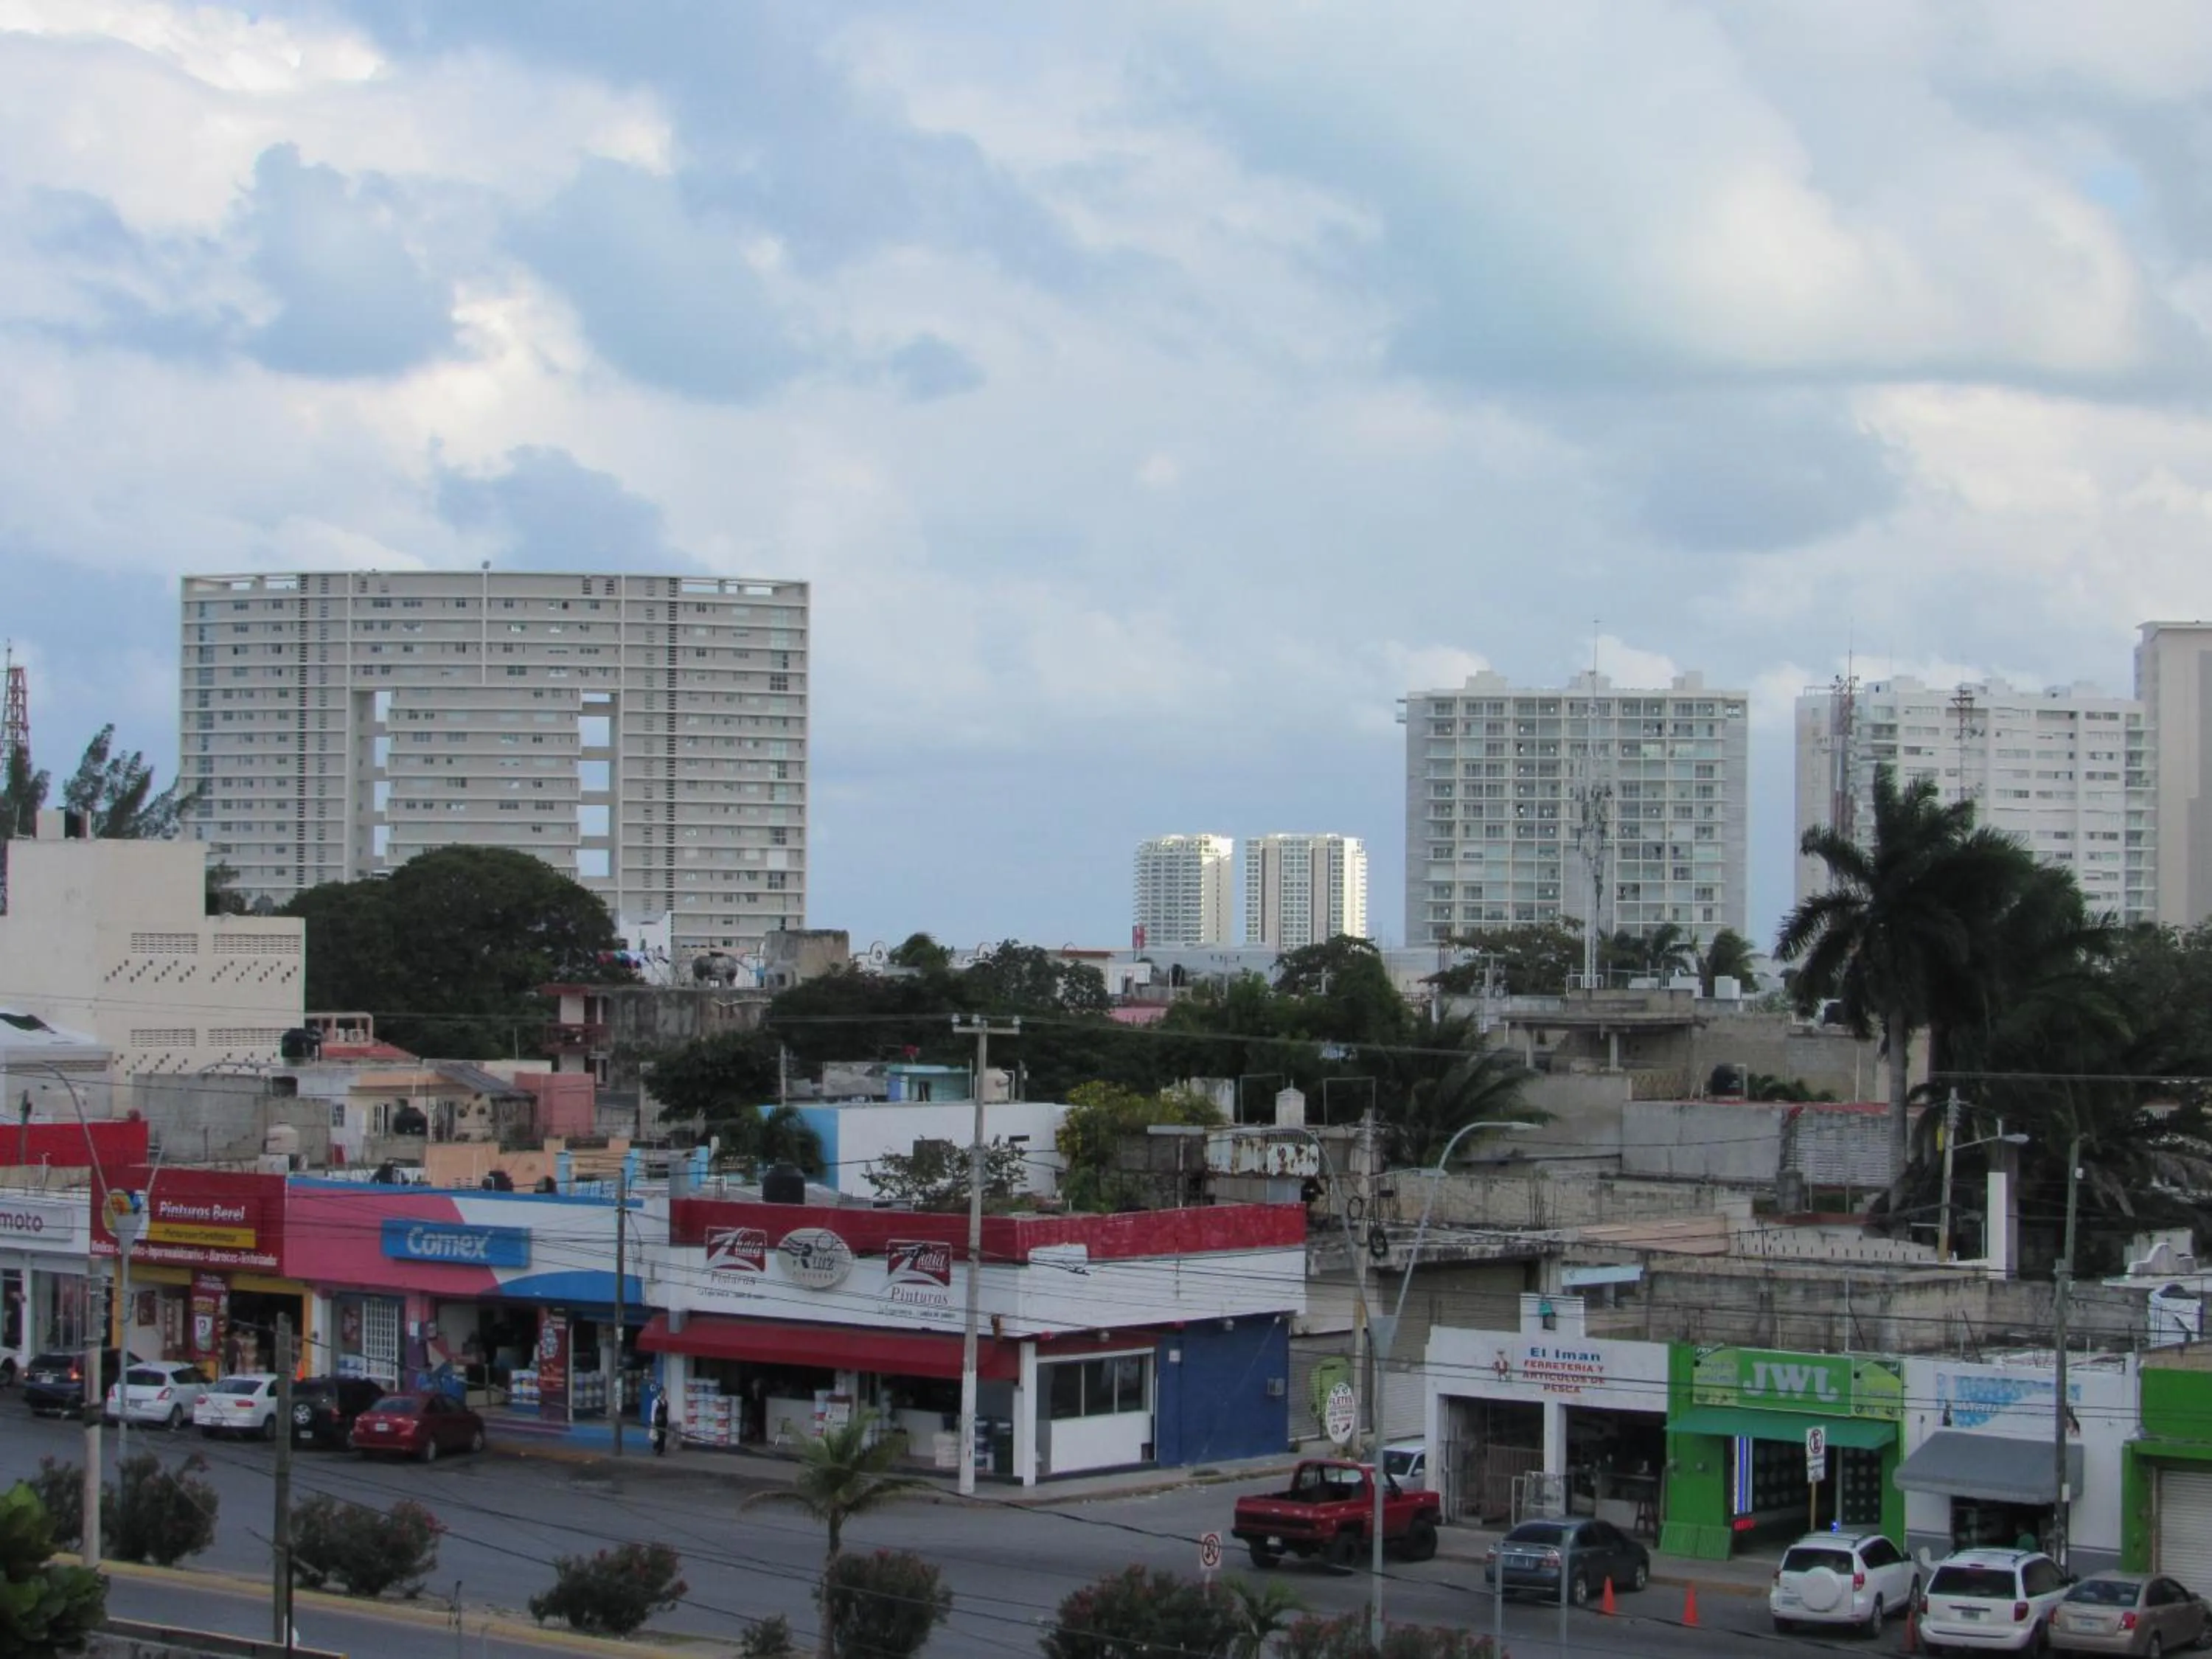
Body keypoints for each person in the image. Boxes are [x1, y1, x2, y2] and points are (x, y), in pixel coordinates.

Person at [650, 1388, 670, 1456]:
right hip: (658, 1420)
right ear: (659, 1393)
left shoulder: (666, 1402)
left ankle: (661, 1450)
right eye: (662, 1393)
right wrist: (653, 1421)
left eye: (664, 1393)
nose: (663, 1394)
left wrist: (668, 1420)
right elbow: (653, 1411)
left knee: (663, 1436)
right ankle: (656, 1448)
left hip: (664, 1421)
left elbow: (667, 1412)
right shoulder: (655, 1401)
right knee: (658, 1435)